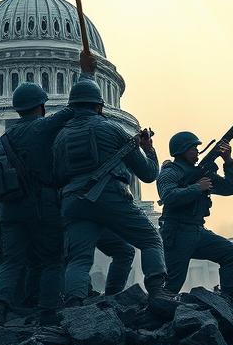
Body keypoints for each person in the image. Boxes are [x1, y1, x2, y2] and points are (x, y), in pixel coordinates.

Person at [53, 76, 170, 305]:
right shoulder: (112, 129)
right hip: (110, 197)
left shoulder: (60, 137)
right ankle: (157, 290)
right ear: (99, 105)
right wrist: (149, 150)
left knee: (79, 259)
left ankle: (76, 305)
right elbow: (148, 174)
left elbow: (57, 176)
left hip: (74, 202)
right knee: (150, 240)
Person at [0, 80, 77, 326]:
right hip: (42, 205)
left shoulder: (2, 141)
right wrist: (87, 74)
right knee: (52, 259)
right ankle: (47, 311)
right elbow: (73, 108)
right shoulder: (43, 127)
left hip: (9, 208)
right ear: (41, 105)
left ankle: (0, 310)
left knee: (11, 261)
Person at [156, 131, 233, 299]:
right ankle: (153, 313)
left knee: (232, 253)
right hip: (176, 231)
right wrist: (197, 188)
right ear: (182, 150)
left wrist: (228, 161)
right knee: (172, 285)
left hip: (197, 230)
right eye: (193, 148)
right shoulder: (170, 172)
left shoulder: (202, 173)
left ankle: (228, 297)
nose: (197, 152)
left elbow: (231, 188)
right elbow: (168, 197)